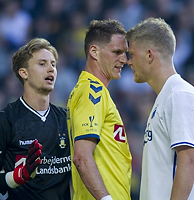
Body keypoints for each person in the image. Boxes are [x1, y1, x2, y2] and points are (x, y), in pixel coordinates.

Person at [0, 38, 71, 200]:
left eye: (53, 64)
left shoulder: (68, 119)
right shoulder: (3, 121)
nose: (51, 69)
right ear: (24, 72)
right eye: (42, 64)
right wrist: (18, 176)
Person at [126, 17, 194, 200]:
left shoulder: (179, 95)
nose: (128, 62)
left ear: (149, 55)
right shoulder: (165, 98)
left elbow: (188, 162)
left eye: (131, 54)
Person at [67, 19, 132, 200]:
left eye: (125, 53)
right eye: (117, 52)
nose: (124, 60)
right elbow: (81, 156)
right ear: (94, 51)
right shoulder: (91, 92)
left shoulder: (94, 92)